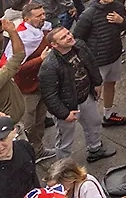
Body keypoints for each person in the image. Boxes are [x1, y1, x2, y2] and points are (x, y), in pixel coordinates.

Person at [38, 26, 116, 162]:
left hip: (86, 97)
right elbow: (49, 95)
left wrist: (97, 82)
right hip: (68, 106)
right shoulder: (49, 66)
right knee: (65, 140)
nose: (69, 37)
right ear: (54, 45)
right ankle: (64, 166)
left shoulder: (80, 46)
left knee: (94, 123)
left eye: (68, 33)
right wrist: (64, 114)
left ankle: (95, 149)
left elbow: (91, 63)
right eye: (63, 37)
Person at [73, 0, 126, 126]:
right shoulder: (88, 14)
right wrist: (86, 58)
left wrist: (121, 21)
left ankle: (108, 114)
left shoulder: (118, 6)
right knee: (94, 91)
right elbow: (77, 38)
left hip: (114, 55)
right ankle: (90, 121)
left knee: (111, 84)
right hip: (97, 61)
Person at [13, 3, 53, 160]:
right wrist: (40, 59)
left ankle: (38, 150)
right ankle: (27, 154)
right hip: (27, 89)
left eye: (43, 14)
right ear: (26, 19)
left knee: (40, 121)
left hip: (41, 84)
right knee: (28, 125)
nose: (43, 18)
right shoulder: (21, 38)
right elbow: (16, 67)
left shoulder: (42, 32)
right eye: (39, 16)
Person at [44, 158, 108, 198]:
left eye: (58, 185)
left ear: (70, 179)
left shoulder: (87, 187)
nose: (53, 190)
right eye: (49, 187)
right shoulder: (65, 188)